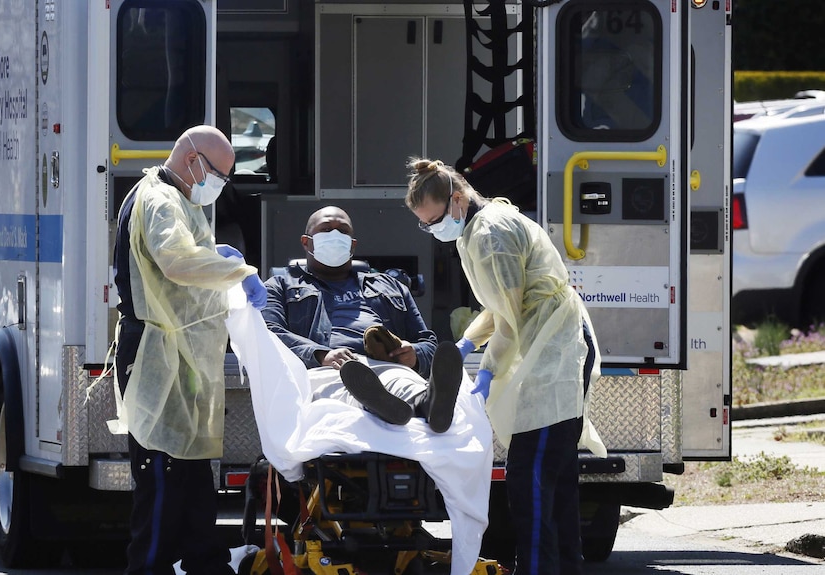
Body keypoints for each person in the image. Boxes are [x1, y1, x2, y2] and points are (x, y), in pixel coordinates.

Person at [404, 158, 606, 575]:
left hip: (555, 351)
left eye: (434, 220)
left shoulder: (489, 234)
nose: (432, 230)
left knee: (530, 478)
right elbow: (501, 304)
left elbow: (510, 316)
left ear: (456, 199)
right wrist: (467, 342)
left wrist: (487, 368)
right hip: (553, 345)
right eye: (424, 225)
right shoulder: (479, 227)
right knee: (557, 477)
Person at [113, 125, 269, 575]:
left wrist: (215, 254)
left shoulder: (175, 198)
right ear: (192, 161)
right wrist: (237, 272)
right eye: (218, 174)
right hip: (155, 351)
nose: (218, 185)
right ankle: (149, 568)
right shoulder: (161, 201)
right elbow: (178, 262)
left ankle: (206, 563)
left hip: (178, 351)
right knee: (161, 477)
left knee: (193, 471)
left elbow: (187, 253)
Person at [262, 205, 461, 433]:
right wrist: (320, 354)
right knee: (340, 389)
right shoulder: (281, 286)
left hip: (386, 364)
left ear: (352, 245)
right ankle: (375, 405)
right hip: (329, 369)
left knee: (403, 382)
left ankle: (427, 405)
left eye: (343, 231)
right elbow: (269, 332)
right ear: (306, 242)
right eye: (326, 230)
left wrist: (414, 355)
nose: (335, 235)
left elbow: (427, 341)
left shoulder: (390, 286)